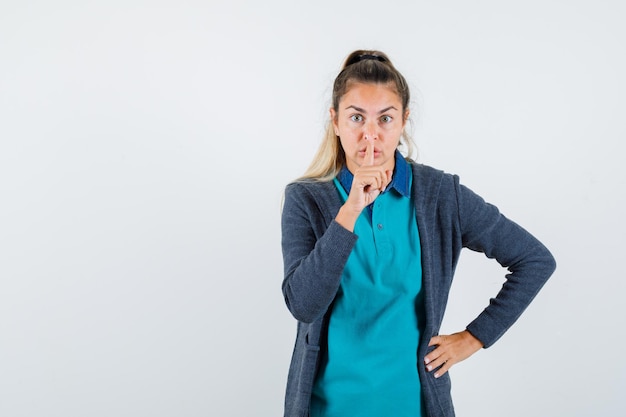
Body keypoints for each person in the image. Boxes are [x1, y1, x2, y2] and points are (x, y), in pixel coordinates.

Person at [280, 49, 556, 417]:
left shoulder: (440, 195)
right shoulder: (306, 199)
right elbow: (303, 305)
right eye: (356, 117)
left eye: (386, 119)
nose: (371, 135)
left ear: (404, 121)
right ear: (335, 121)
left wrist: (474, 338)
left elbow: (534, 260)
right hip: (327, 407)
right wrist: (350, 211)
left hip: (413, 405)